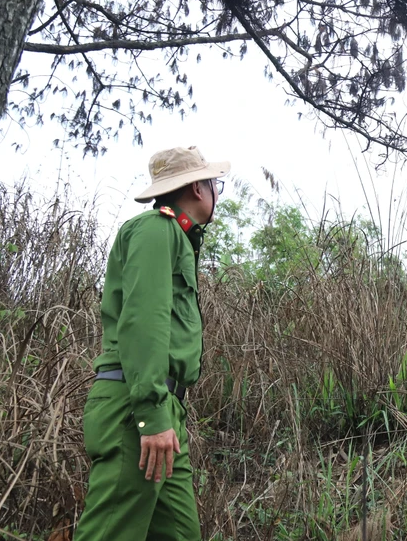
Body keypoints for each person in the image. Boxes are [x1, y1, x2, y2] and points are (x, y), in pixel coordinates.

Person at [74, 146, 229, 541]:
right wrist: (151, 415)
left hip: (162, 407)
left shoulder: (175, 236)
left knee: (180, 533)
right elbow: (145, 322)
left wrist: (163, 413)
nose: (216, 192)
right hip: (137, 406)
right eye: (215, 185)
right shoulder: (156, 231)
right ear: (197, 187)